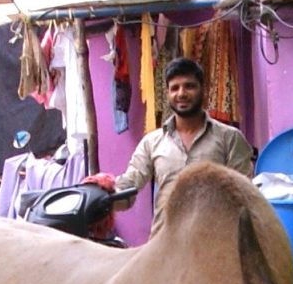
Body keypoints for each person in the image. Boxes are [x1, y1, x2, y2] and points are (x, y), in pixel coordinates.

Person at [92, 56, 256, 201]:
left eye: (189, 86)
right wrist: (104, 191)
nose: (181, 93)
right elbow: (130, 184)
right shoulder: (152, 142)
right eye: (175, 88)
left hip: (214, 233)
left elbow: (245, 193)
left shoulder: (230, 138)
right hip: (166, 235)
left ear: (203, 91)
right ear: (168, 94)